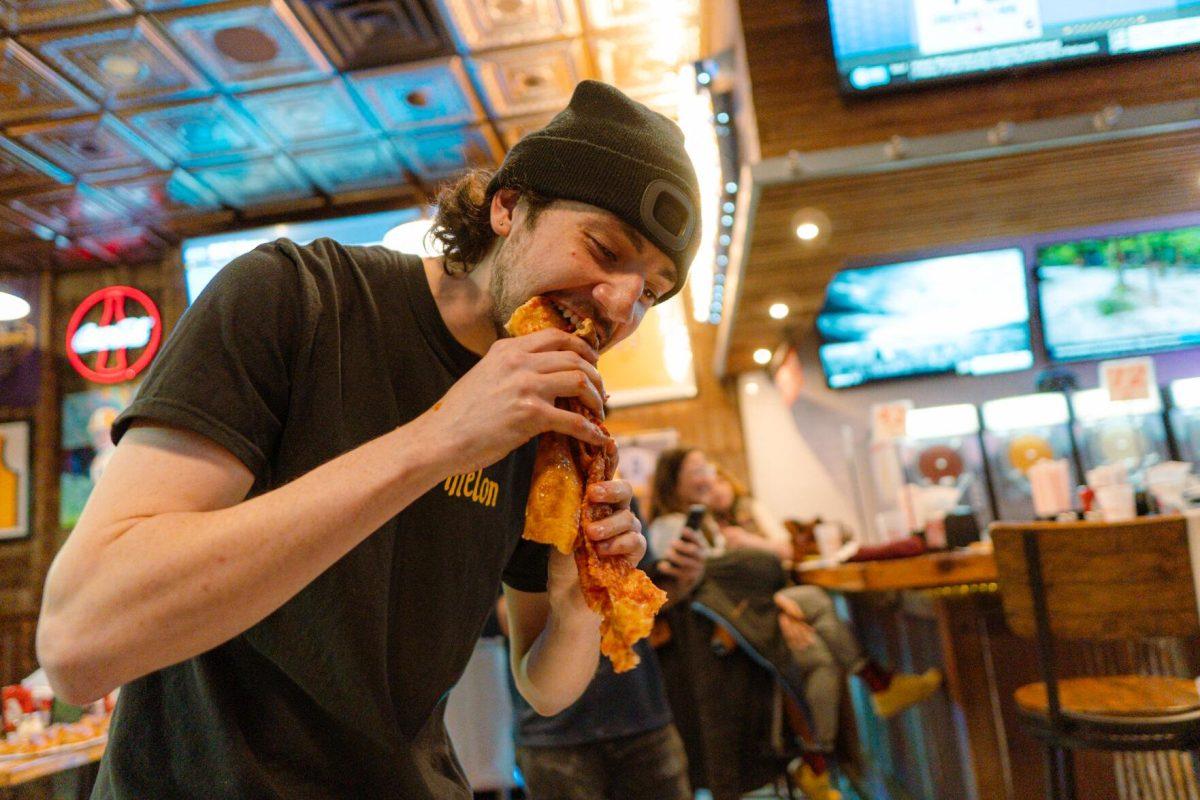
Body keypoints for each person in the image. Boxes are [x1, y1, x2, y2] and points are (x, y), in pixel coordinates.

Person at [35, 80, 701, 800]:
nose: (619, 305)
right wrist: (442, 438)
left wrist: (577, 607)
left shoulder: (546, 419)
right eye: (603, 248)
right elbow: (80, 640)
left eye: (651, 291)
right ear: (509, 206)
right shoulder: (296, 298)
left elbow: (542, 687)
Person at [648, 448, 941, 800]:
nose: (706, 476)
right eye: (695, 470)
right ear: (673, 481)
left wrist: (770, 598)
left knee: (818, 652)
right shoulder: (668, 527)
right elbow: (694, 587)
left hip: (746, 616)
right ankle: (871, 691)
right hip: (721, 643)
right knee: (815, 626)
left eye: (707, 468)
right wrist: (770, 600)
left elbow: (732, 576)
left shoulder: (708, 521)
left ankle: (820, 760)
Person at [498, 497, 706, 800]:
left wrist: (681, 580)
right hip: (556, 730)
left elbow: (639, 593)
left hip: (639, 711)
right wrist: (571, 598)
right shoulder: (509, 491)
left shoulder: (611, 493)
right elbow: (501, 615)